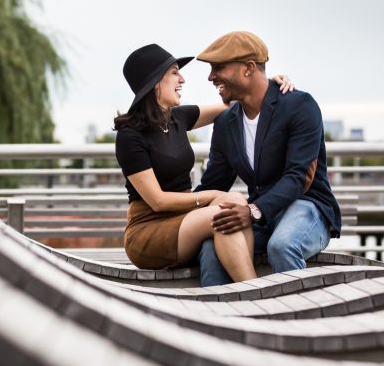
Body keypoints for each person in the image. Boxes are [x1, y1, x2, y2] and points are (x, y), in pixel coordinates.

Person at [113, 43, 293, 279]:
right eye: (175, 72)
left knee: (235, 201)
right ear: (155, 82)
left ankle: (242, 290)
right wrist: (209, 195)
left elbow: (232, 101)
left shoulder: (177, 118)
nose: (183, 79)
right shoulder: (130, 136)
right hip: (149, 231)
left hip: (185, 218)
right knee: (222, 214)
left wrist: (267, 84)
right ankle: (253, 290)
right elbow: (157, 202)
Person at [194, 31, 341, 287]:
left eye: (218, 68)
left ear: (248, 68)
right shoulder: (226, 123)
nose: (211, 77)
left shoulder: (299, 106)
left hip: (307, 206)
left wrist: (252, 211)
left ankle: (299, 321)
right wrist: (177, 212)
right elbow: (213, 184)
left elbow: (297, 178)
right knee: (211, 246)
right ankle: (221, 322)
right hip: (263, 216)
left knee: (282, 245)